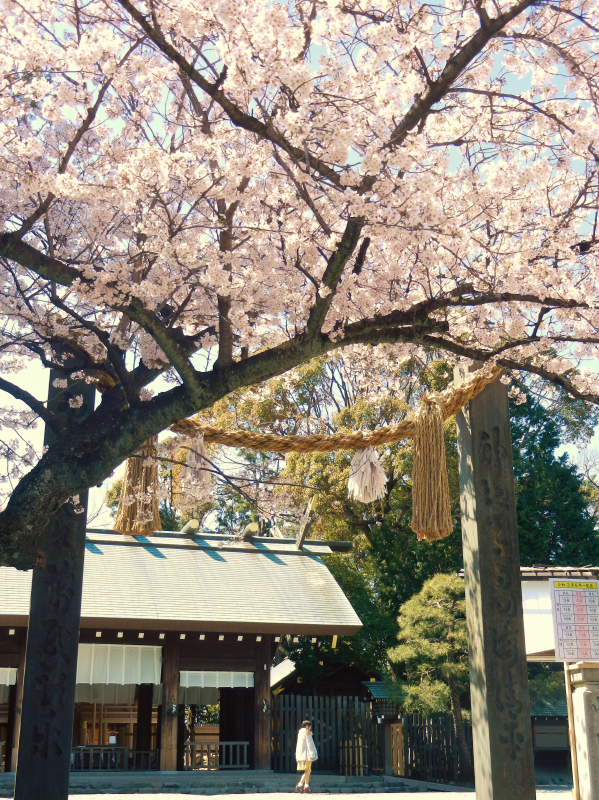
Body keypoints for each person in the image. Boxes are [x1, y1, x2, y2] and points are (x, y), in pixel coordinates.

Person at [295, 720, 318, 794]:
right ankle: (300, 785)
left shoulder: (300, 733)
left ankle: (306, 786)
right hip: (307, 755)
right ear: (307, 726)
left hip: (301, 755)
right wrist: (312, 754)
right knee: (308, 771)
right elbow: (309, 744)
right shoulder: (307, 733)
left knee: (307, 771)